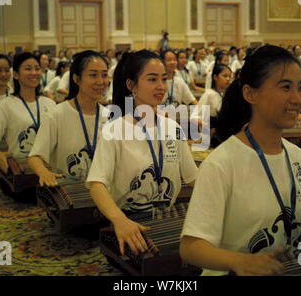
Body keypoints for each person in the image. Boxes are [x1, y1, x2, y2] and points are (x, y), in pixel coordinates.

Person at [179, 45, 301, 276]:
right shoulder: (221, 163)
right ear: (250, 94)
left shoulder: (299, 158)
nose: (297, 98)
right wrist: (238, 261)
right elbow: (191, 248)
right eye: (285, 87)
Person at [86, 50, 198, 255]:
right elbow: (96, 183)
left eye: (164, 79)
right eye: (152, 79)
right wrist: (119, 220)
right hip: (129, 219)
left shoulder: (172, 127)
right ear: (131, 85)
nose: (161, 87)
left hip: (167, 220)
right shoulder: (115, 129)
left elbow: (193, 178)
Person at [28, 51, 110, 186]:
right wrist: (44, 172)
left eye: (104, 75)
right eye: (93, 75)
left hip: (103, 192)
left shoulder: (110, 117)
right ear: (76, 79)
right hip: (69, 193)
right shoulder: (56, 114)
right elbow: (35, 157)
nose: (101, 81)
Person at [0, 52, 56, 174]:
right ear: (16, 74)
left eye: (37, 69)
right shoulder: (6, 105)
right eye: (28, 69)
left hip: (49, 166)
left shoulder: (49, 103)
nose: (34, 73)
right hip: (23, 169)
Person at [193, 64, 232, 131]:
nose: (228, 79)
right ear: (215, 77)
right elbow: (194, 118)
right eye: (225, 76)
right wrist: (209, 128)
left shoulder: (225, 94)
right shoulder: (209, 94)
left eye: (229, 76)